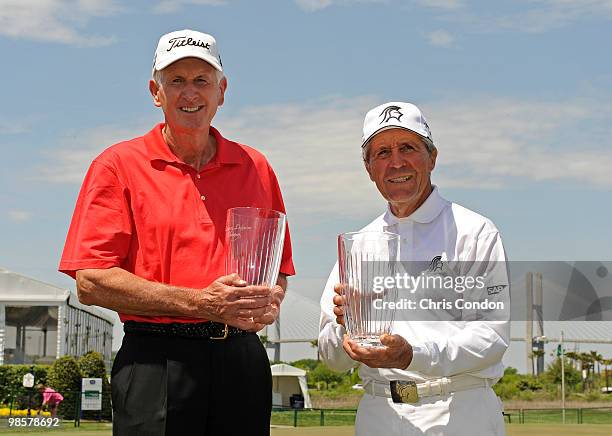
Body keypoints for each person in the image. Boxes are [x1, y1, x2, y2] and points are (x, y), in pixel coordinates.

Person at [59, 29, 295, 436]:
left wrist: (270, 298)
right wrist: (201, 303)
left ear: (222, 91)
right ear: (156, 91)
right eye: (176, 80)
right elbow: (92, 281)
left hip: (241, 359)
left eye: (202, 80)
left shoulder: (256, 166)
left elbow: (277, 268)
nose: (191, 93)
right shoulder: (116, 165)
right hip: (155, 360)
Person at [319, 102, 510, 435]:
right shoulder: (357, 245)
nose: (396, 162)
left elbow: (492, 337)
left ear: (432, 157)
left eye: (407, 147)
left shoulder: (474, 231)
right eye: (381, 152)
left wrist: (412, 355)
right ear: (368, 167)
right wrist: (344, 327)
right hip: (379, 415)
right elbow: (332, 359)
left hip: (460, 413)